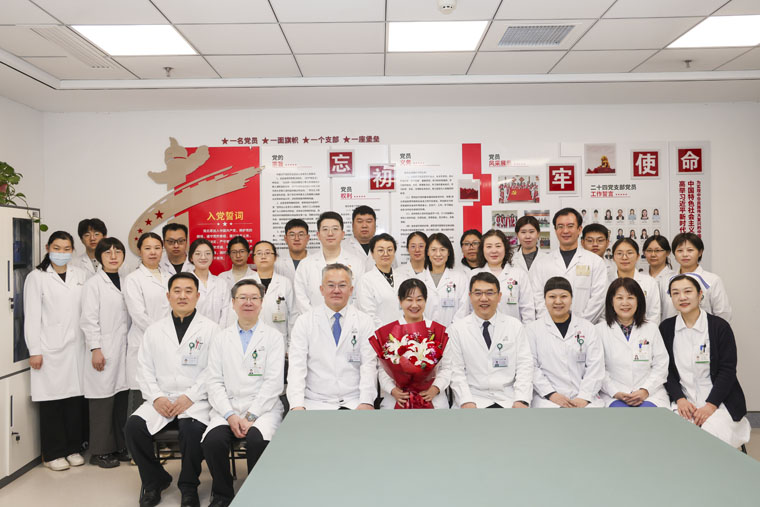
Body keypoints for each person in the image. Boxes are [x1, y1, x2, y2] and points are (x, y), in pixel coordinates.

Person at [124, 273, 219, 507]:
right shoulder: (154, 330)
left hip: (196, 400)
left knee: (192, 430)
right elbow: (144, 369)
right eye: (177, 291)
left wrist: (190, 396)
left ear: (197, 296)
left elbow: (214, 370)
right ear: (168, 296)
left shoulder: (212, 330)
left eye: (188, 291)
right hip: (162, 397)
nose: (182, 296)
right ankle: (154, 480)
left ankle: (188, 487)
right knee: (133, 427)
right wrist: (156, 397)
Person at [202, 279, 285, 507]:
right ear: (233, 302)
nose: (248, 302)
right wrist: (230, 415)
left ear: (261, 302)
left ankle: (256, 493)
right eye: (243, 298)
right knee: (212, 441)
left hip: (264, 408)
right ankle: (223, 494)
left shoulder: (274, 337)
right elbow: (214, 381)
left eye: (254, 298)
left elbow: (273, 383)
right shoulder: (221, 338)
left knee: (257, 440)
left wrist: (250, 416)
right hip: (228, 407)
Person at [660, 275, 750, 448]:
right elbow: (665, 369)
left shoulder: (719, 327)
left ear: (700, 294)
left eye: (688, 291)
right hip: (684, 402)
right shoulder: (666, 328)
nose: (682, 297)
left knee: (710, 437)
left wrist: (711, 405)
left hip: (720, 402)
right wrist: (679, 399)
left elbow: (727, 370)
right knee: (675, 438)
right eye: (676, 293)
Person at [24, 231, 88, 471]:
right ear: (48, 248)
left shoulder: (80, 275)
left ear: (72, 251)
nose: (61, 253)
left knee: (74, 400)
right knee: (52, 402)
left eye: (66, 249)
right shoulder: (37, 277)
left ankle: (73, 448)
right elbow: (32, 316)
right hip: (48, 349)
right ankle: (53, 453)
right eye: (57, 248)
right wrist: (35, 350)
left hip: (77, 347)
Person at [287, 263, 377, 410]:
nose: (336, 290)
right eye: (330, 285)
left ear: (351, 290)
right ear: (321, 289)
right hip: (315, 402)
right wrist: (297, 405)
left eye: (342, 285)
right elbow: (297, 366)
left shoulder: (364, 321)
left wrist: (366, 401)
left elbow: (368, 365)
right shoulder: (304, 321)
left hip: (354, 401)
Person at [447, 273, 533, 409]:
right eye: (478, 293)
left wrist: (521, 399)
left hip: (508, 399)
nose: (484, 298)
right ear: (470, 296)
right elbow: (456, 370)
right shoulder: (457, 329)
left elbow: (525, 365)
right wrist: (466, 401)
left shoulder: (514, 326)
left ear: (499, 296)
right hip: (473, 398)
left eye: (490, 293)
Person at [80, 237, 130, 468]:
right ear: (100, 257)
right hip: (103, 349)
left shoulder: (126, 281)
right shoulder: (93, 284)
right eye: (108, 252)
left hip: (123, 349)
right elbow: (88, 320)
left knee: (120, 400)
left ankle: (119, 446)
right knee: (102, 402)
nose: (113, 256)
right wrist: (95, 349)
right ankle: (100, 451)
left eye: (117, 251)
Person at [526, 277, 604, 408]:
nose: (558, 301)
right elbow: (531, 367)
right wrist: (552, 394)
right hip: (547, 399)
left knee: (590, 415)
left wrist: (584, 397)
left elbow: (595, 366)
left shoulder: (588, 328)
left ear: (571, 299)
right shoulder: (532, 330)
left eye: (564, 296)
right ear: (544, 299)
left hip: (585, 398)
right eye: (552, 296)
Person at [377, 278, 450, 409]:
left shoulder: (436, 331)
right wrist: (392, 390)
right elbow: (382, 370)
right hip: (398, 398)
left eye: (419, 299)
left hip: (432, 398)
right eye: (409, 300)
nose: (414, 305)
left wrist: (435, 388)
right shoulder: (390, 332)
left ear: (426, 300)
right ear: (400, 301)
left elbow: (447, 367)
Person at [596, 278, 669, 408]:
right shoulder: (599, 330)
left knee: (648, 415)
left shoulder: (651, 328)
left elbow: (661, 365)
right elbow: (597, 368)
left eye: (630, 297)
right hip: (613, 393)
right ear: (611, 301)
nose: (625, 303)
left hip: (650, 393)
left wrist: (645, 390)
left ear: (638, 301)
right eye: (619, 298)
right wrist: (615, 392)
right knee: (620, 416)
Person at [530, 208, 608, 324]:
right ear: (555, 230)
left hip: (586, 327)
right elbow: (538, 299)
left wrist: (580, 325)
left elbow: (598, 299)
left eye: (570, 226)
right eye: (560, 226)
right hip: (549, 328)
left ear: (579, 229)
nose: (565, 231)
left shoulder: (595, 262)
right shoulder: (542, 263)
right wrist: (550, 324)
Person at [124, 233, 172, 414]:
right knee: (140, 399)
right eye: (148, 248)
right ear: (139, 251)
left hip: (169, 343)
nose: (153, 252)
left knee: (164, 399)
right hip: (143, 341)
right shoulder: (133, 279)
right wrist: (162, 334)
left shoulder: (170, 277)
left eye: (157, 248)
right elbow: (138, 314)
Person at [222, 241, 298, 350]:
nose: (263, 256)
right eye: (259, 253)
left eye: (267, 253)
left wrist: (291, 346)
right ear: (253, 258)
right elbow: (233, 314)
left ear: (275, 257)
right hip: (248, 342)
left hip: (279, 343)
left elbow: (293, 316)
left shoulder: (285, 283)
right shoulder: (244, 282)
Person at [455, 229, 534, 323]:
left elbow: (527, 309)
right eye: (489, 246)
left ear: (505, 248)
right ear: (482, 249)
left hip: (511, 330)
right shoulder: (474, 274)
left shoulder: (519, 274)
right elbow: (466, 308)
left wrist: (526, 330)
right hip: (480, 329)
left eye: (498, 246)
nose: (494, 251)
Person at [293, 211, 365, 314]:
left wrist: (344, 317)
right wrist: (316, 319)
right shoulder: (305, 265)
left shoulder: (356, 263)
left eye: (335, 229)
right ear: (318, 235)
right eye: (325, 229)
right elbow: (301, 299)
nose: (330, 233)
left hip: (349, 319)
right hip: (314, 320)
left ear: (343, 234)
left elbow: (360, 297)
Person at [666, 233, 731, 322]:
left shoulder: (712, 280)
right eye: (680, 251)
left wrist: (716, 330)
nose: (685, 254)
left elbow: (723, 313)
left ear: (700, 252)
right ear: (674, 254)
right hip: (673, 329)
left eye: (690, 250)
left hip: (706, 330)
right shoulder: (666, 280)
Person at [356, 233, 406, 329]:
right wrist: (389, 332)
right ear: (372, 254)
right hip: (378, 333)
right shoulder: (365, 281)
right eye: (380, 250)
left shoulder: (403, 279)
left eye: (390, 250)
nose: (385, 254)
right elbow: (368, 315)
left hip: (404, 332)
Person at [417, 233, 467, 327]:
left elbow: (464, 309)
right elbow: (415, 309)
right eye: (433, 250)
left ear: (448, 253)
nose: (438, 254)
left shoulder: (460, 278)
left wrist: (452, 330)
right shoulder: (418, 280)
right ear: (427, 252)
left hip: (454, 332)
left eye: (442, 250)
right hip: (424, 332)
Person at [609, 238, 661, 324]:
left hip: (644, 330)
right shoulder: (606, 281)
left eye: (629, 253)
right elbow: (603, 314)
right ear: (613, 257)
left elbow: (654, 315)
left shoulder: (649, 282)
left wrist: (645, 331)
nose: (624, 257)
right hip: (611, 330)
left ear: (637, 256)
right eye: (619, 253)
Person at [187, 239, 228, 325]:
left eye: (208, 253)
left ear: (213, 257)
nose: (203, 257)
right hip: (192, 331)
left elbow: (226, 312)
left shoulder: (221, 283)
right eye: (198, 254)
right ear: (191, 257)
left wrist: (219, 331)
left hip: (218, 331)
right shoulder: (184, 283)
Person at [343, 205, 388, 273]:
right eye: (360, 221)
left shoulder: (386, 247)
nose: (364, 226)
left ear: (375, 224)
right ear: (352, 225)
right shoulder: (342, 247)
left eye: (369, 221)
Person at [641, 235, 674, 316]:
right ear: (644, 253)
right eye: (649, 250)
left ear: (667, 252)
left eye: (657, 250)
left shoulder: (675, 278)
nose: (653, 254)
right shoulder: (639, 277)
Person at [274, 219, 310, 283]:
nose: (296, 239)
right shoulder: (277, 264)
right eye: (292, 235)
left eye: (301, 234)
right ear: (285, 239)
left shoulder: (318, 263)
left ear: (307, 238)